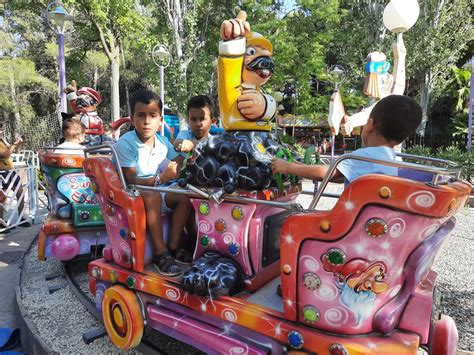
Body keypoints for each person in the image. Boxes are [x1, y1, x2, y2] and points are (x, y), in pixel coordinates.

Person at [114, 89, 192, 276]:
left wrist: (183, 153)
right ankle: (160, 252)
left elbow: (177, 162)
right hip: (132, 194)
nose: (147, 121)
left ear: (160, 120)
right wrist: (162, 178)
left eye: (152, 115)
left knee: (186, 194)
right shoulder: (125, 143)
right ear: (132, 118)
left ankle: (173, 245)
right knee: (152, 195)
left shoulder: (163, 141)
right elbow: (132, 182)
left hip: (156, 190)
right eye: (141, 115)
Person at [271, 95, 422, 184]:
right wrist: (298, 166)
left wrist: (287, 167)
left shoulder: (366, 157)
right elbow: (344, 176)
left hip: (351, 223)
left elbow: (328, 172)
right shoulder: (393, 159)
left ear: (369, 125)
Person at [0, 126, 29, 228]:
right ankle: (1, 221)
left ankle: (21, 217)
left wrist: (19, 143)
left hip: (11, 171)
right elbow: (5, 154)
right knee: (3, 197)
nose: (1, 131)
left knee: (20, 193)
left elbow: (15, 151)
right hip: (2, 172)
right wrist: (15, 143)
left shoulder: (2, 140)